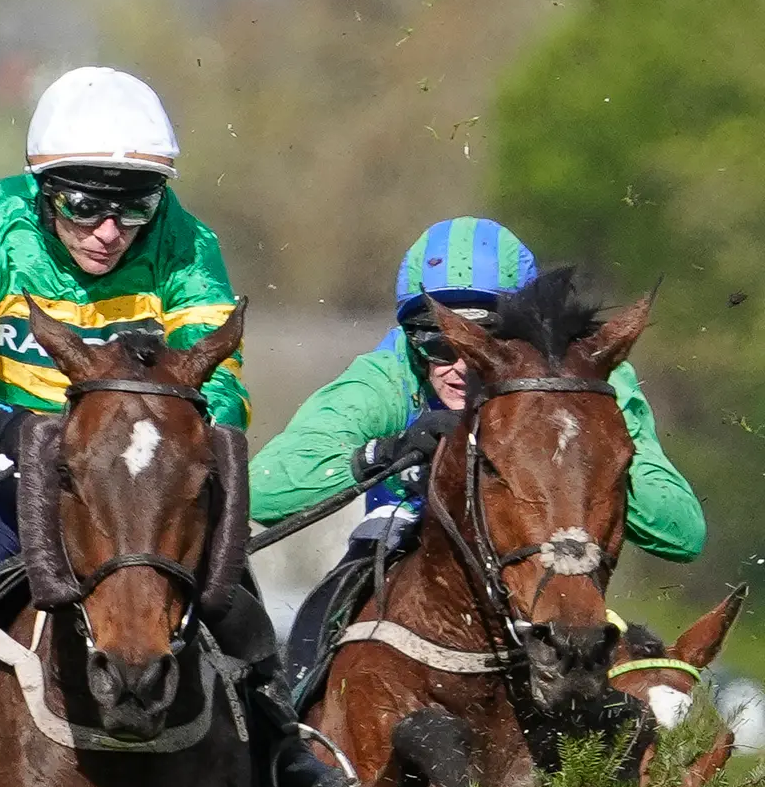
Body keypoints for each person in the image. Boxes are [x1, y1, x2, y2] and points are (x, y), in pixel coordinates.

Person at [0, 66, 354, 787]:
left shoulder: (187, 244)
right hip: (7, 466)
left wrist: (166, 439)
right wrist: (11, 428)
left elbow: (223, 391)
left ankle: (279, 738)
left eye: (135, 207)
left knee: (230, 588)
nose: (110, 230)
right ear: (43, 190)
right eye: (85, 206)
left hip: (138, 476)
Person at [250, 217, 704, 682]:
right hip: (400, 550)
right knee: (311, 642)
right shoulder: (387, 375)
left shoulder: (585, 380)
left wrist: (587, 450)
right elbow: (264, 492)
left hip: (550, 576)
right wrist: (384, 452)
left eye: (486, 342)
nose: (461, 365)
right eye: (438, 342)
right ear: (411, 339)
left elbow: (683, 534)